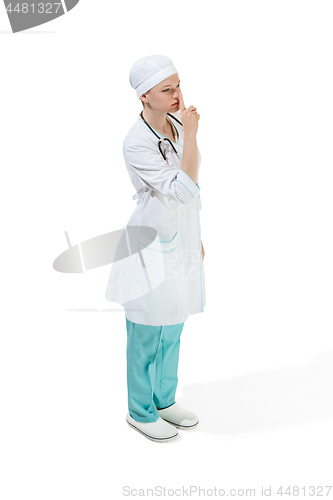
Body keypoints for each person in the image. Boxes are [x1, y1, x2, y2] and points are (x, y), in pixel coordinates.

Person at [105, 54, 206, 443]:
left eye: (178, 85)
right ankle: (140, 410)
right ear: (145, 96)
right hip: (149, 245)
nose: (178, 95)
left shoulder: (177, 124)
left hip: (180, 240)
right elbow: (183, 187)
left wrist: (196, 236)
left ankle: (164, 401)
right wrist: (194, 138)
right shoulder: (136, 142)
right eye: (167, 89)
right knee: (146, 328)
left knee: (174, 323)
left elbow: (191, 198)